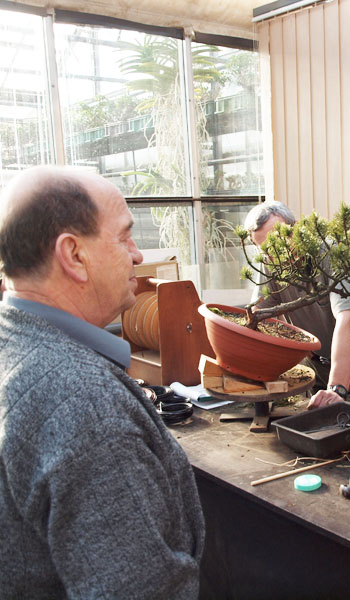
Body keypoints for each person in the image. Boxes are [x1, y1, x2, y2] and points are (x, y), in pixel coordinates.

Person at [0, 167, 205, 598]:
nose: (137, 254)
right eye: (124, 236)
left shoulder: (13, 343)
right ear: (74, 255)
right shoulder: (86, 408)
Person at [244, 201, 350, 412]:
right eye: (264, 249)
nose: (273, 255)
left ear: (295, 229)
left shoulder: (333, 252)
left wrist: (336, 388)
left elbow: (349, 319)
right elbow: (258, 312)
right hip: (318, 362)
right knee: (321, 421)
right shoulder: (270, 260)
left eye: (278, 242)